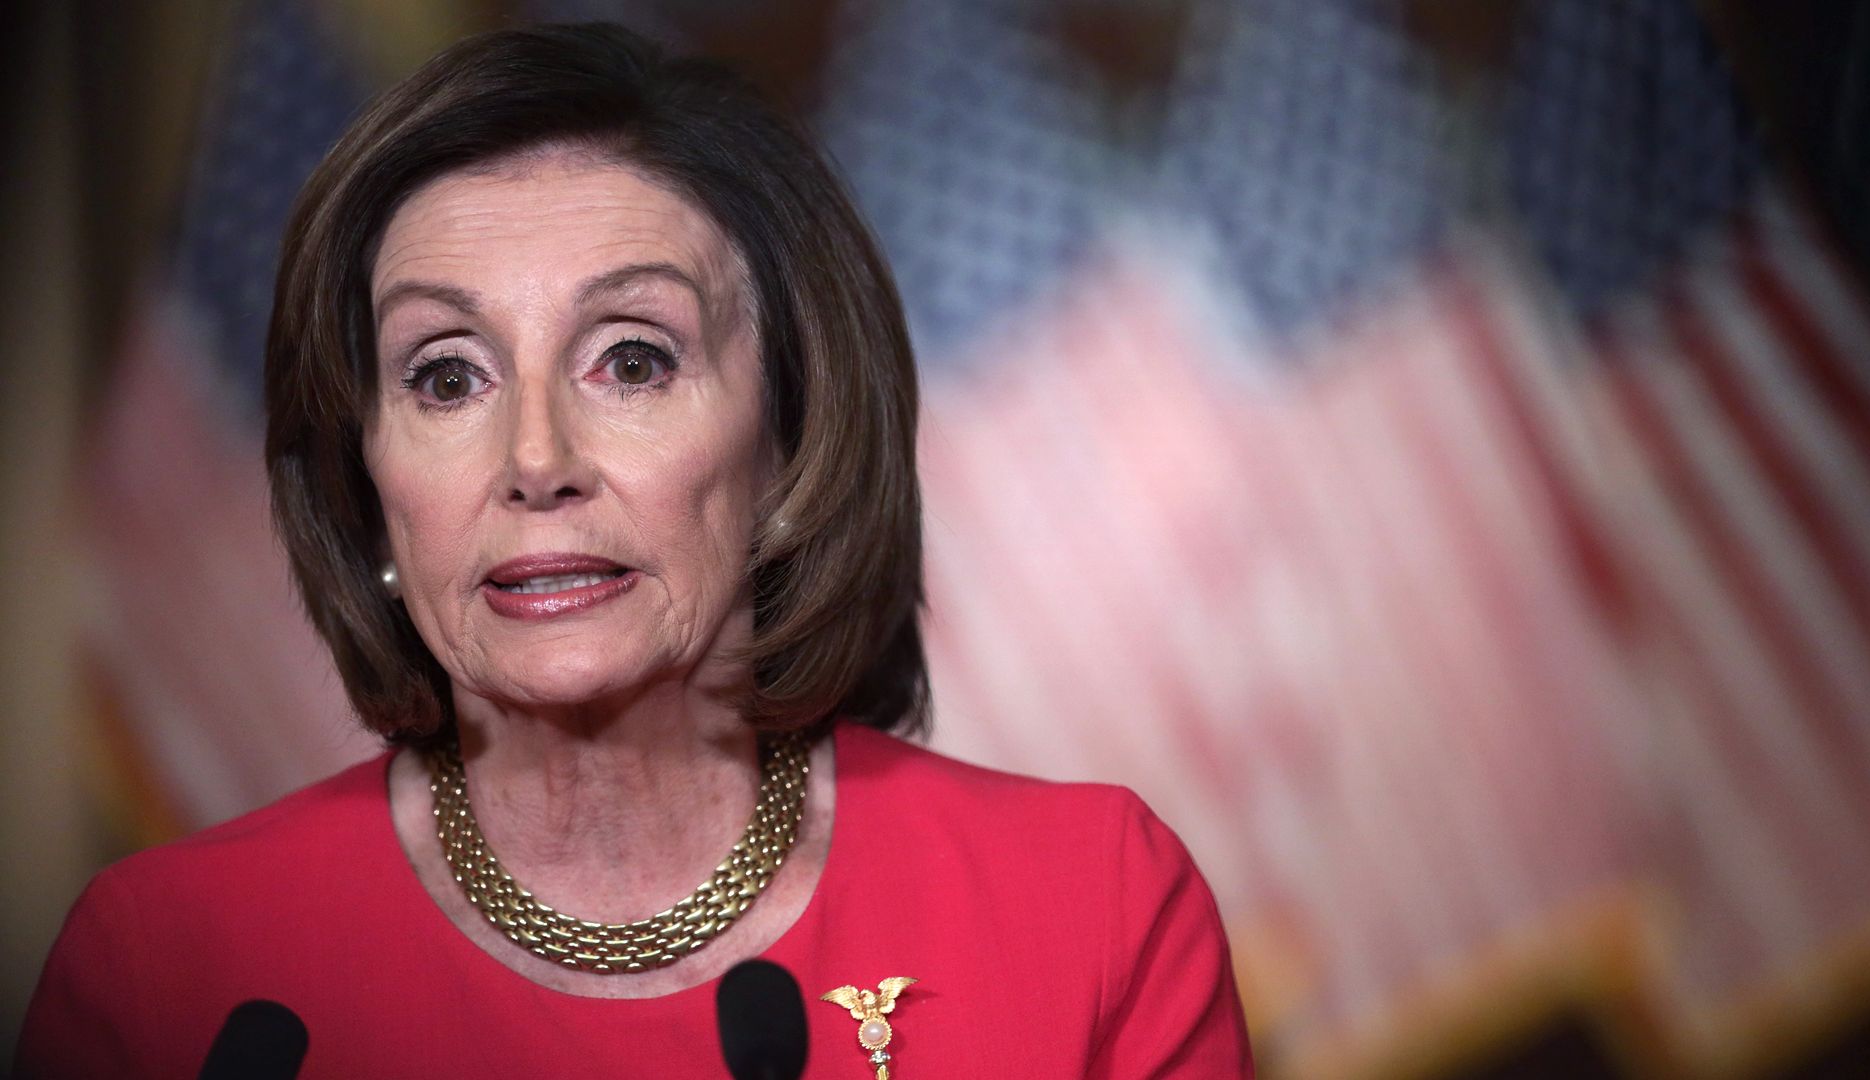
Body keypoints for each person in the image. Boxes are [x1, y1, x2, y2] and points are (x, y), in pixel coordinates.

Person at [15, 23, 1253, 1078]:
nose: (536, 457)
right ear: (366, 481)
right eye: (446, 377)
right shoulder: (169, 971)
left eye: (633, 359)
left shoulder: (1088, 909)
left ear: (791, 436)